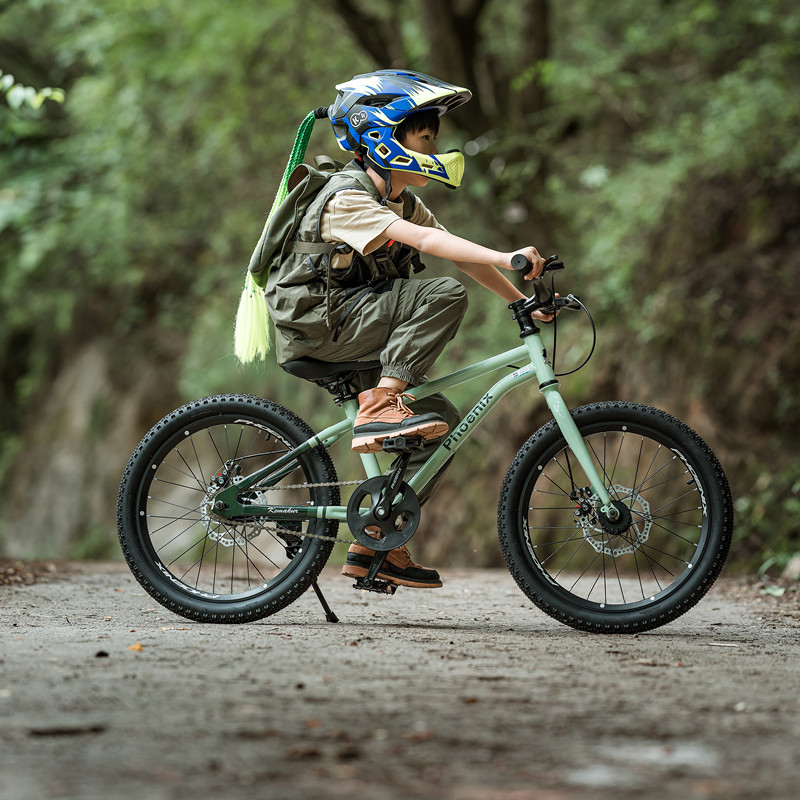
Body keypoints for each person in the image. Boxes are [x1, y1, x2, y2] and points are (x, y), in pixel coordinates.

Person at [265, 69, 552, 589]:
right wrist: (508, 257)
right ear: (380, 136)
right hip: (321, 324)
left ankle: (376, 539)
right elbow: (435, 250)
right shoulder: (346, 197)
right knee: (441, 293)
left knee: (438, 418)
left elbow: (458, 251)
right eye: (426, 137)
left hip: (349, 320)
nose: (435, 149)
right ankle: (381, 404)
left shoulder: (401, 198)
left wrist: (521, 302)